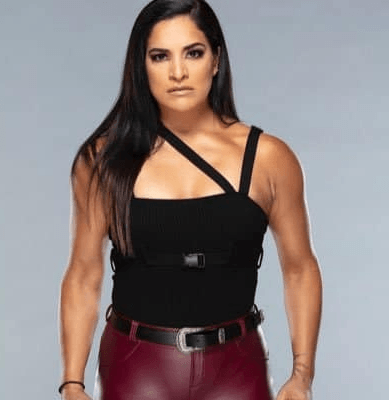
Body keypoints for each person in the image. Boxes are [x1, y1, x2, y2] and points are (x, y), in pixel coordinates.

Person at [58, 1, 323, 399]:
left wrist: (302, 374)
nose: (178, 72)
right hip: (137, 369)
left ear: (216, 60)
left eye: (193, 53)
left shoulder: (269, 159)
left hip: (237, 370)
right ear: (141, 66)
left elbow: (300, 268)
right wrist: (72, 384)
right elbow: (83, 274)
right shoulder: (103, 160)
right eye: (160, 56)